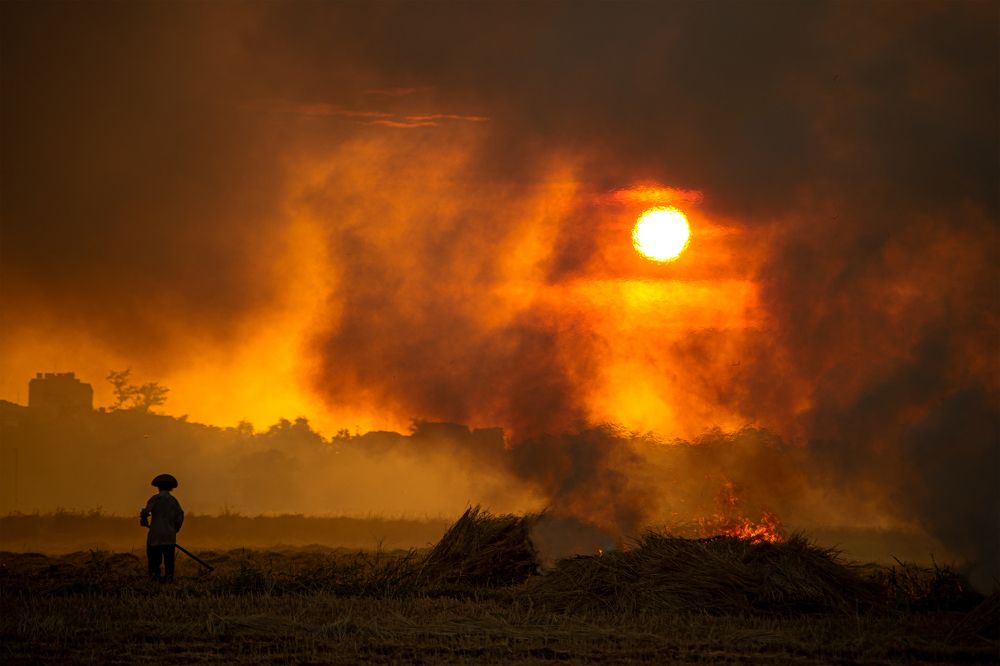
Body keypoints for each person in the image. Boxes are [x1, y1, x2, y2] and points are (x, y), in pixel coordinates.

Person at [140, 473, 185, 582]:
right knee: (169, 561)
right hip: (169, 536)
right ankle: (169, 580)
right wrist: (175, 529)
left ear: (158, 487)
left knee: (154, 561)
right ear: (171, 488)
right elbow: (180, 516)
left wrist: (144, 520)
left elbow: (145, 512)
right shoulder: (174, 501)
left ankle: (155, 580)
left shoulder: (155, 499)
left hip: (155, 535)